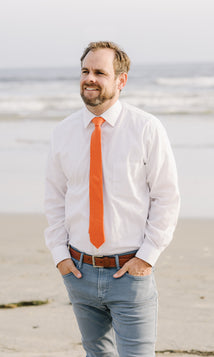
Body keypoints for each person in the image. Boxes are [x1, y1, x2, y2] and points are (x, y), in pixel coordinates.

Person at [44, 41, 180, 357]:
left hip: (129, 273)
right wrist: (59, 255)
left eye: (100, 72)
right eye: (85, 71)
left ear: (121, 80)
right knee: (96, 353)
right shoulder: (63, 132)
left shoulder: (146, 129)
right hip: (78, 270)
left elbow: (166, 196)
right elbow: (55, 198)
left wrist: (147, 257)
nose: (89, 78)